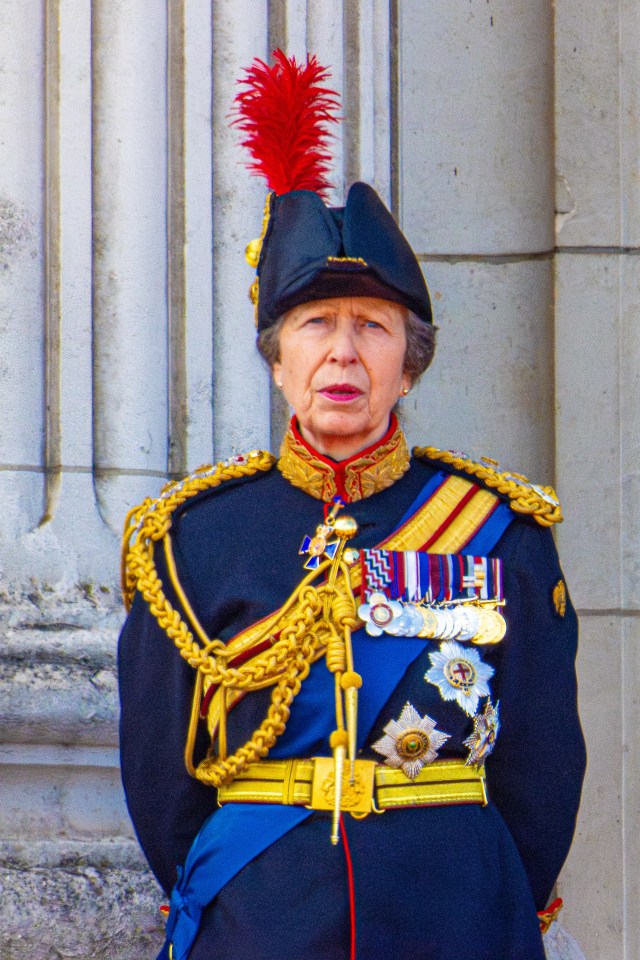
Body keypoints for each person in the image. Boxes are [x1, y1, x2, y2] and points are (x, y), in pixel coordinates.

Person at [118, 52, 585, 960]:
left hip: (457, 913)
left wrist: (492, 896)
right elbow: (162, 788)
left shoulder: (501, 529)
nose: (343, 354)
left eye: (372, 328)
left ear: (410, 363)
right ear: (277, 359)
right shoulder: (191, 541)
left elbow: (540, 766)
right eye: (315, 328)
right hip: (259, 919)